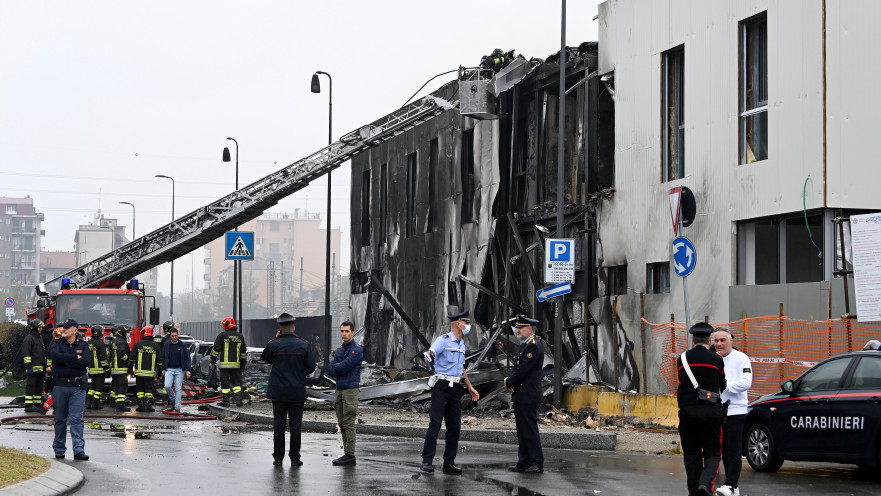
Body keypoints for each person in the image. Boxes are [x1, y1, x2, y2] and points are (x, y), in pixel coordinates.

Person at [420, 310, 480, 475]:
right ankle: (427, 461)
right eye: (465, 322)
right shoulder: (444, 340)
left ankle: (449, 463)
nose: (468, 325)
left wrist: (469, 386)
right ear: (457, 323)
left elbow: (461, 368)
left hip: (455, 388)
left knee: (454, 427)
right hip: (441, 386)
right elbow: (430, 353)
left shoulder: (461, 343)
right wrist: (429, 357)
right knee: (436, 423)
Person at [677, 322, 726, 496]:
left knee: (691, 455)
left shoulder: (682, 359)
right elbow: (722, 386)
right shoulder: (717, 360)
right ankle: (705, 485)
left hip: (687, 412)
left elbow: (682, 380)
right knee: (713, 453)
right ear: (710, 340)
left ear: (693, 339)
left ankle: (693, 492)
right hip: (710, 412)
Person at [261, 313, 316, 466]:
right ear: (294, 327)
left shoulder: (274, 344)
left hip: (278, 391)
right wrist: (298, 373)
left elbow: (265, 358)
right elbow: (311, 367)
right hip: (296, 391)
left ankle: (278, 458)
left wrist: (275, 339)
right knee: (295, 425)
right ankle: (295, 458)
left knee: (279, 424)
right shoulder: (303, 345)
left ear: (280, 328)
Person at [713, 328, 752, 496]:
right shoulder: (714, 359)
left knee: (734, 449)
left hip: (736, 409)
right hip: (718, 410)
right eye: (716, 341)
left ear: (731, 341)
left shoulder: (741, 358)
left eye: (723, 340)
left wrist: (725, 387)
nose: (719, 344)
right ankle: (733, 487)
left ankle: (730, 484)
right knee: (725, 449)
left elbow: (746, 382)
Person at [504, 315, 545, 474]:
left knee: (529, 430)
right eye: (517, 327)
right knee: (522, 431)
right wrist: (510, 380)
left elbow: (523, 370)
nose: (517, 330)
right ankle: (524, 461)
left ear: (530, 329)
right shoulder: (524, 345)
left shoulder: (533, 346)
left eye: (520, 328)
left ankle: (536, 462)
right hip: (521, 394)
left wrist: (509, 381)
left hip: (528, 394)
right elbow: (517, 368)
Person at [48, 319, 91, 460]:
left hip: (77, 387)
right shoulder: (57, 343)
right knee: (60, 419)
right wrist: (74, 358)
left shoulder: (84, 345)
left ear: (75, 330)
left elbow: (85, 362)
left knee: (76, 419)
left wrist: (65, 362)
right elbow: (55, 357)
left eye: (67, 328)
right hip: (60, 385)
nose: (63, 330)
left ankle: (79, 450)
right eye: (62, 328)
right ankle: (59, 449)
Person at [326, 320, 363, 466]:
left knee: (348, 423)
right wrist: (337, 367)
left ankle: (350, 455)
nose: (344, 334)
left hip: (350, 390)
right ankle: (347, 454)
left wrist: (337, 367)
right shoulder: (340, 350)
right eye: (342, 331)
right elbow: (330, 368)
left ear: (353, 333)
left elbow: (344, 366)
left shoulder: (356, 350)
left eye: (347, 331)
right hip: (340, 389)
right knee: (341, 422)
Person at [211, 316, 247, 407]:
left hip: (225, 366)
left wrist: (212, 359)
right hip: (236, 365)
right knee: (236, 383)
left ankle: (226, 401)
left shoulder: (222, 336)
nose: (223, 327)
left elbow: (216, 350)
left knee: (225, 383)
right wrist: (242, 364)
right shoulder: (240, 336)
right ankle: (239, 401)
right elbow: (243, 353)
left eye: (223, 326)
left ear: (227, 325)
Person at [130, 327, 162, 412]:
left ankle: (141, 406)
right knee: (149, 390)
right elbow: (159, 361)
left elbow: (131, 359)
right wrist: (159, 372)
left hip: (139, 373)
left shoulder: (137, 345)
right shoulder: (156, 346)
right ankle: (148, 406)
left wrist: (130, 370)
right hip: (150, 374)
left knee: (140, 389)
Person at [161, 326, 192, 413]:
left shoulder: (182, 345)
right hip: (169, 369)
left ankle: (177, 407)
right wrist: (163, 368)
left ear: (178, 335)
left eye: (175, 335)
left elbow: (187, 357)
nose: (174, 337)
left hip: (179, 370)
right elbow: (163, 357)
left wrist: (188, 370)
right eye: (172, 336)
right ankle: (173, 398)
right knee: (167, 386)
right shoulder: (167, 345)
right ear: (170, 336)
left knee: (178, 389)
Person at [22, 319, 48, 413]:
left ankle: (37, 404)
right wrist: (28, 367)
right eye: (39, 327)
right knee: (31, 386)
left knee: (39, 387)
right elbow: (26, 354)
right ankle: (28, 405)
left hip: (40, 369)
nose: (41, 329)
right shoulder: (29, 339)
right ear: (34, 328)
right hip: (32, 369)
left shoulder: (39, 338)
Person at [85, 325, 109, 410]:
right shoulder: (100, 343)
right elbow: (102, 358)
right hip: (99, 369)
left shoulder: (89, 343)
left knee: (92, 387)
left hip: (92, 369)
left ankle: (88, 403)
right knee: (99, 388)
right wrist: (107, 368)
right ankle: (95, 404)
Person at [109, 324, 132, 412]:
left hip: (114, 369)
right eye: (127, 332)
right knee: (123, 386)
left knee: (116, 386)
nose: (128, 334)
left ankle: (113, 402)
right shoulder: (122, 342)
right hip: (121, 368)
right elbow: (121, 353)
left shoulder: (115, 341)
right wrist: (128, 360)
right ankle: (120, 405)